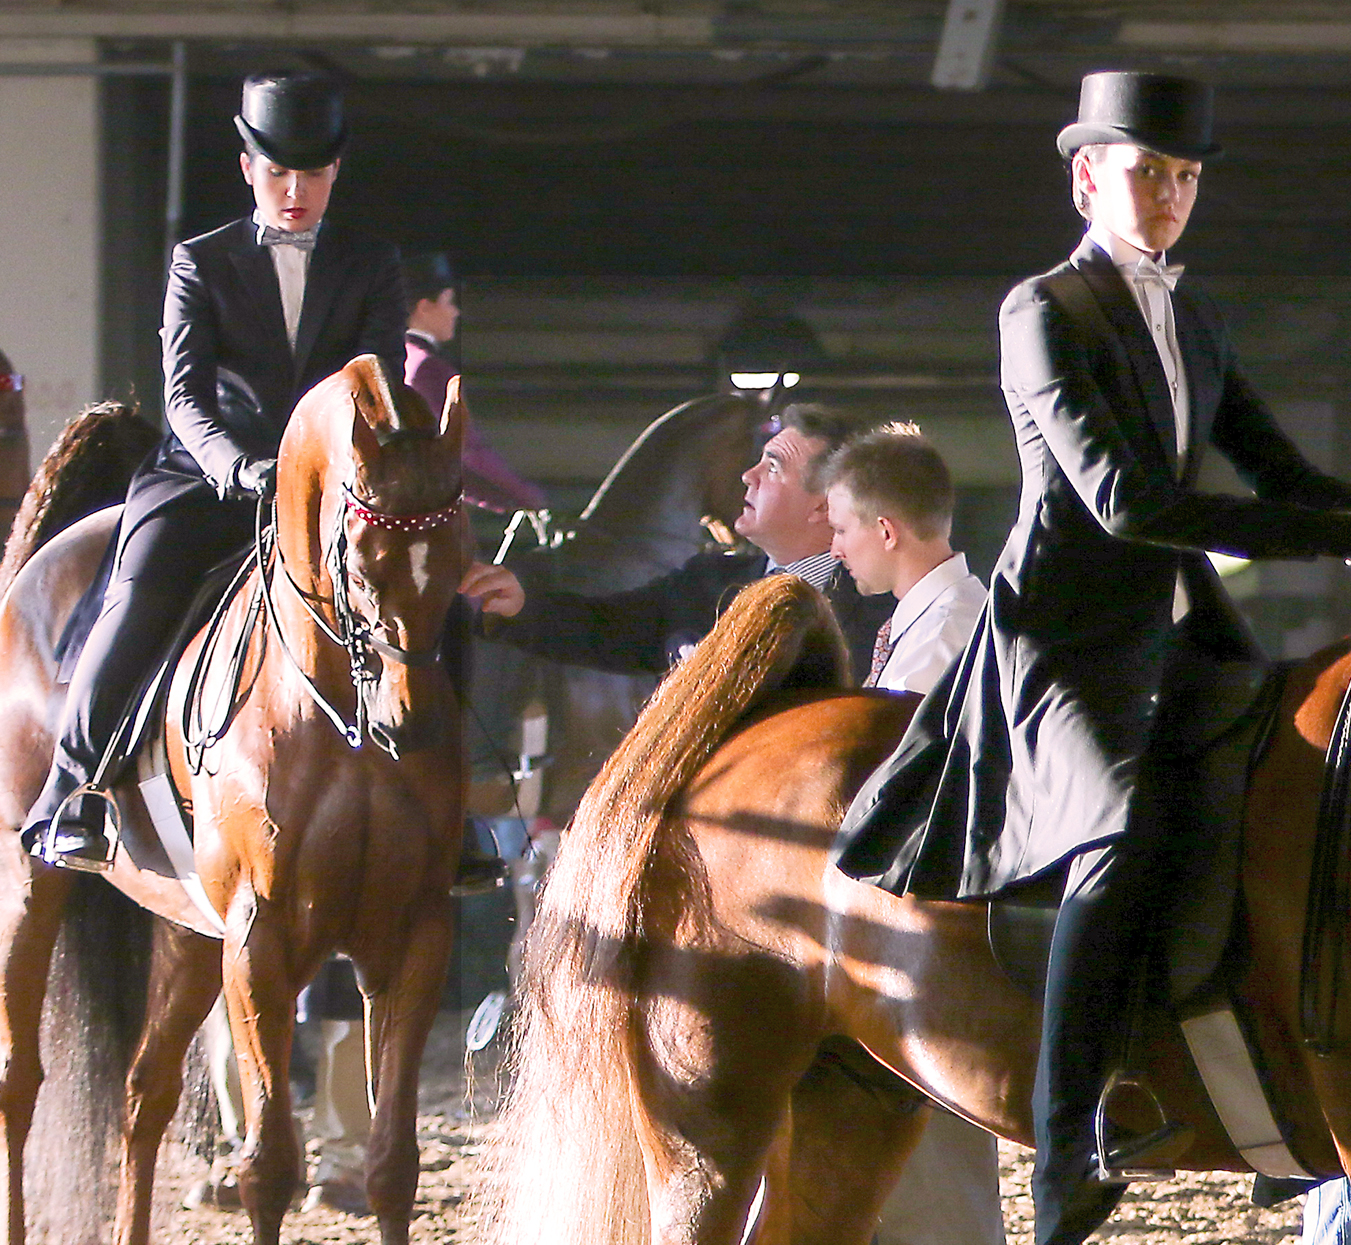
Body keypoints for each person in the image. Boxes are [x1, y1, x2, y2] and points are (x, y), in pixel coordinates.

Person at [829, 70, 1351, 1245]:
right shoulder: (1042, 309)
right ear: (1088, 175)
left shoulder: (1192, 319)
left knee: (1293, 793)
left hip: (1179, 629)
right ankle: (1061, 1142)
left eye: (1186, 177)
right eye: (1147, 172)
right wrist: (1340, 537)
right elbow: (1128, 502)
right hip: (1062, 639)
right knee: (1123, 831)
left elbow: (1279, 470)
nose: (1169, 196)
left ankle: (1259, 1087)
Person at [24, 71, 406, 869]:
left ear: (335, 171)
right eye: (276, 172)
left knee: (422, 589)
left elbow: (379, 385)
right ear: (247, 170)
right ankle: (72, 788)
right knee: (142, 590)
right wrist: (243, 469)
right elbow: (186, 399)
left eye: (309, 173)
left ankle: (458, 796)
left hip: (326, 490)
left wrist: (331, 470)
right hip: (207, 473)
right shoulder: (199, 262)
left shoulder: (373, 262)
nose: (294, 190)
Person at [805, 425, 1023, 1245]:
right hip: (919, 938)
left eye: (846, 527)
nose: (837, 545)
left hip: (933, 942)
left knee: (935, 1198)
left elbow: (896, 791)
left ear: (888, 529)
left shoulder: (947, 634)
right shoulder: (933, 620)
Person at [458, 403, 884, 673]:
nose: (747, 476)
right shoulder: (705, 580)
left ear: (824, 506)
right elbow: (605, 630)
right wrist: (521, 607)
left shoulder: (882, 614)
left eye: (772, 468)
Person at [825, 424, 986, 692]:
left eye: (841, 530)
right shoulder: (951, 622)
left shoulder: (936, 647)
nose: (835, 550)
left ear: (887, 533)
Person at [400, 251, 548, 514]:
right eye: (449, 302)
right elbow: (464, 452)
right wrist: (527, 498)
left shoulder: (401, 359)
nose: (456, 312)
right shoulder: (429, 368)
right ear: (424, 307)